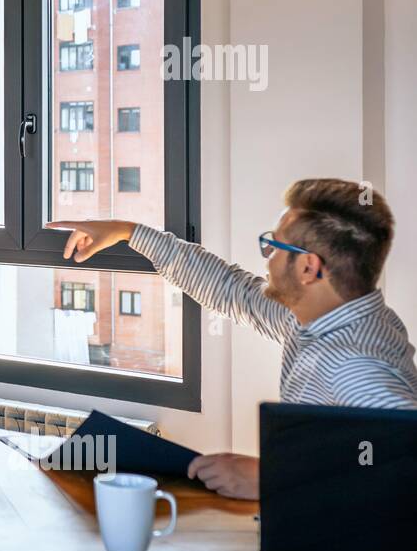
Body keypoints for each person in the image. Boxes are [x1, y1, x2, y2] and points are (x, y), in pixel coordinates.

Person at [50, 178, 416, 500]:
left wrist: (269, 478)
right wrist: (127, 231)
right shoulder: (323, 316)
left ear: (309, 268)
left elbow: (401, 477)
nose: (267, 258)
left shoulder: (356, 365)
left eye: (273, 247)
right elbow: (231, 289)